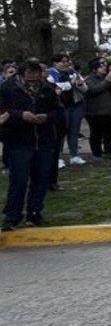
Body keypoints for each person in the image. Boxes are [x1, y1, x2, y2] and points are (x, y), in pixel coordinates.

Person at [1, 59, 62, 231]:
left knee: (41, 179)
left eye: (37, 77)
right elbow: (2, 112)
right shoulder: (7, 89)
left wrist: (47, 117)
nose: (34, 81)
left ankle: (34, 212)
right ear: (22, 74)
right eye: (30, 78)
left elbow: (58, 111)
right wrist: (20, 115)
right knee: (18, 180)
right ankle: (12, 216)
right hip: (18, 141)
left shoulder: (47, 89)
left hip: (43, 139)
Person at [48, 53, 87, 168]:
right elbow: (56, 87)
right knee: (60, 133)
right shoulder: (51, 73)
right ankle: (58, 157)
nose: (66, 64)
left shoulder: (73, 72)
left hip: (75, 104)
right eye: (63, 61)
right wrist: (70, 84)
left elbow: (85, 87)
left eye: (67, 61)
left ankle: (74, 155)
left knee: (74, 131)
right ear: (56, 62)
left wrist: (79, 84)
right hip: (61, 106)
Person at [83, 58, 111, 159]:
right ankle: (97, 153)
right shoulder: (89, 79)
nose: (105, 67)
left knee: (109, 133)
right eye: (102, 65)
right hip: (96, 112)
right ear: (95, 68)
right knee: (96, 133)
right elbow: (93, 90)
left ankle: (109, 151)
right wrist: (107, 82)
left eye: (105, 64)